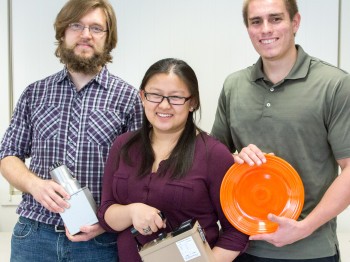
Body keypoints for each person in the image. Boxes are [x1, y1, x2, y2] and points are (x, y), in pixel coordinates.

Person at [0, 0, 143, 261]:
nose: (86, 34)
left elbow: (139, 173)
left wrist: (109, 222)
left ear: (108, 38)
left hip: (100, 240)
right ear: (63, 33)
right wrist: (34, 184)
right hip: (34, 236)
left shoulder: (128, 99)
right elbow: (8, 155)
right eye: (77, 25)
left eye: (96, 28)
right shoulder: (35, 94)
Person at [211, 0, 350, 261]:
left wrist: (303, 229)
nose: (265, 29)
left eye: (275, 19)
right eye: (256, 21)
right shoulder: (234, 86)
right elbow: (211, 159)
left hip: (311, 251)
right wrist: (234, 158)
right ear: (248, 28)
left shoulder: (335, 84)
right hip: (243, 246)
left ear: (295, 22)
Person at [97, 58, 249, 261]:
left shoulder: (214, 154)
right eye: (155, 95)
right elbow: (107, 213)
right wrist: (132, 211)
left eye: (176, 98)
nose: (164, 105)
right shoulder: (123, 145)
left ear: (192, 102)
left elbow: (237, 232)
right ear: (142, 96)